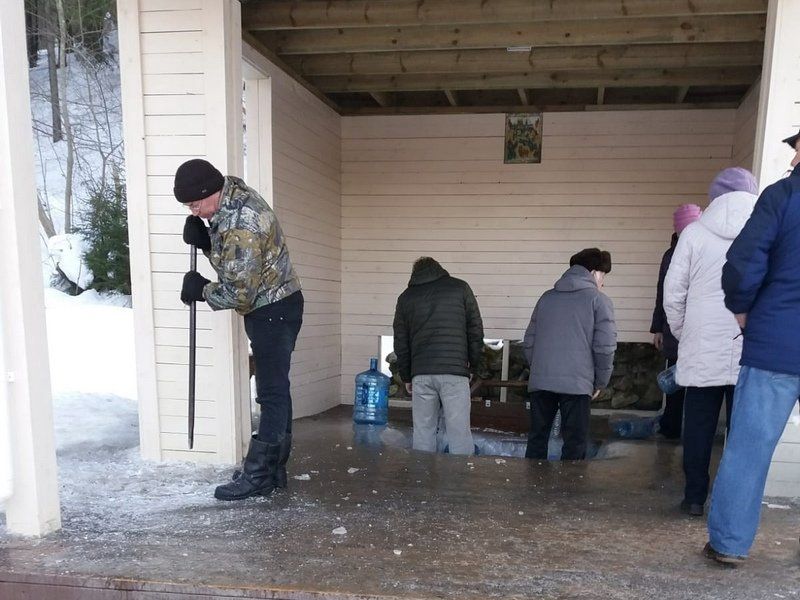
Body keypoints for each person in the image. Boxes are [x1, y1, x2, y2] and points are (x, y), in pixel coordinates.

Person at [173, 159, 303, 501]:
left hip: (271, 310)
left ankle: (259, 474)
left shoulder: (241, 221)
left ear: (209, 192)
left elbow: (239, 290)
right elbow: (235, 262)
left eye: (195, 203)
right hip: (276, 305)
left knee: (271, 393)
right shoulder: (230, 199)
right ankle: (273, 470)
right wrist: (206, 242)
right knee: (278, 390)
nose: (194, 210)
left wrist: (201, 289)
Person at [703, 130, 800, 565]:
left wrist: (742, 309)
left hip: (776, 346)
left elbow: (744, 263)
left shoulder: (783, 196)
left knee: (749, 448)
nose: (793, 154)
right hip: (776, 344)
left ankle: (729, 544)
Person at [663, 167, 758, 517]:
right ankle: (733, 505)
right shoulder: (764, 231)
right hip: (750, 345)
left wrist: (683, 331)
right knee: (743, 431)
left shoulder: (694, 234)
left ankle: (693, 498)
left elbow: (673, 293)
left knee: (698, 427)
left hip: (701, 345)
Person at [523, 248, 617, 460]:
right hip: (577, 384)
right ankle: (569, 491)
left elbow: (529, 342)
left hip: (542, 382)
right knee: (574, 443)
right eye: (603, 275)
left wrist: (539, 369)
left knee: (537, 439)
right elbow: (604, 347)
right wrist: (600, 382)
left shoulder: (546, 298)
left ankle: (530, 488)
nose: (603, 282)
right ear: (594, 272)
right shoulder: (599, 301)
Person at [392, 257, 484, 455]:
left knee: (423, 431)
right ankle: (457, 481)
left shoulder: (406, 297)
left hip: (422, 373)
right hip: (454, 371)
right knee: (459, 432)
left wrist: (407, 376)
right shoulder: (460, 288)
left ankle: (422, 479)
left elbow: (401, 342)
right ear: (440, 270)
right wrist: (472, 366)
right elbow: (475, 330)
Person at [650, 204, 702, 439]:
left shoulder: (703, 250)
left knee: (697, 384)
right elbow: (663, 293)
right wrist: (657, 328)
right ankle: (671, 426)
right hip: (675, 328)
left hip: (698, 328)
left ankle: (689, 430)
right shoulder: (670, 255)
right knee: (676, 379)